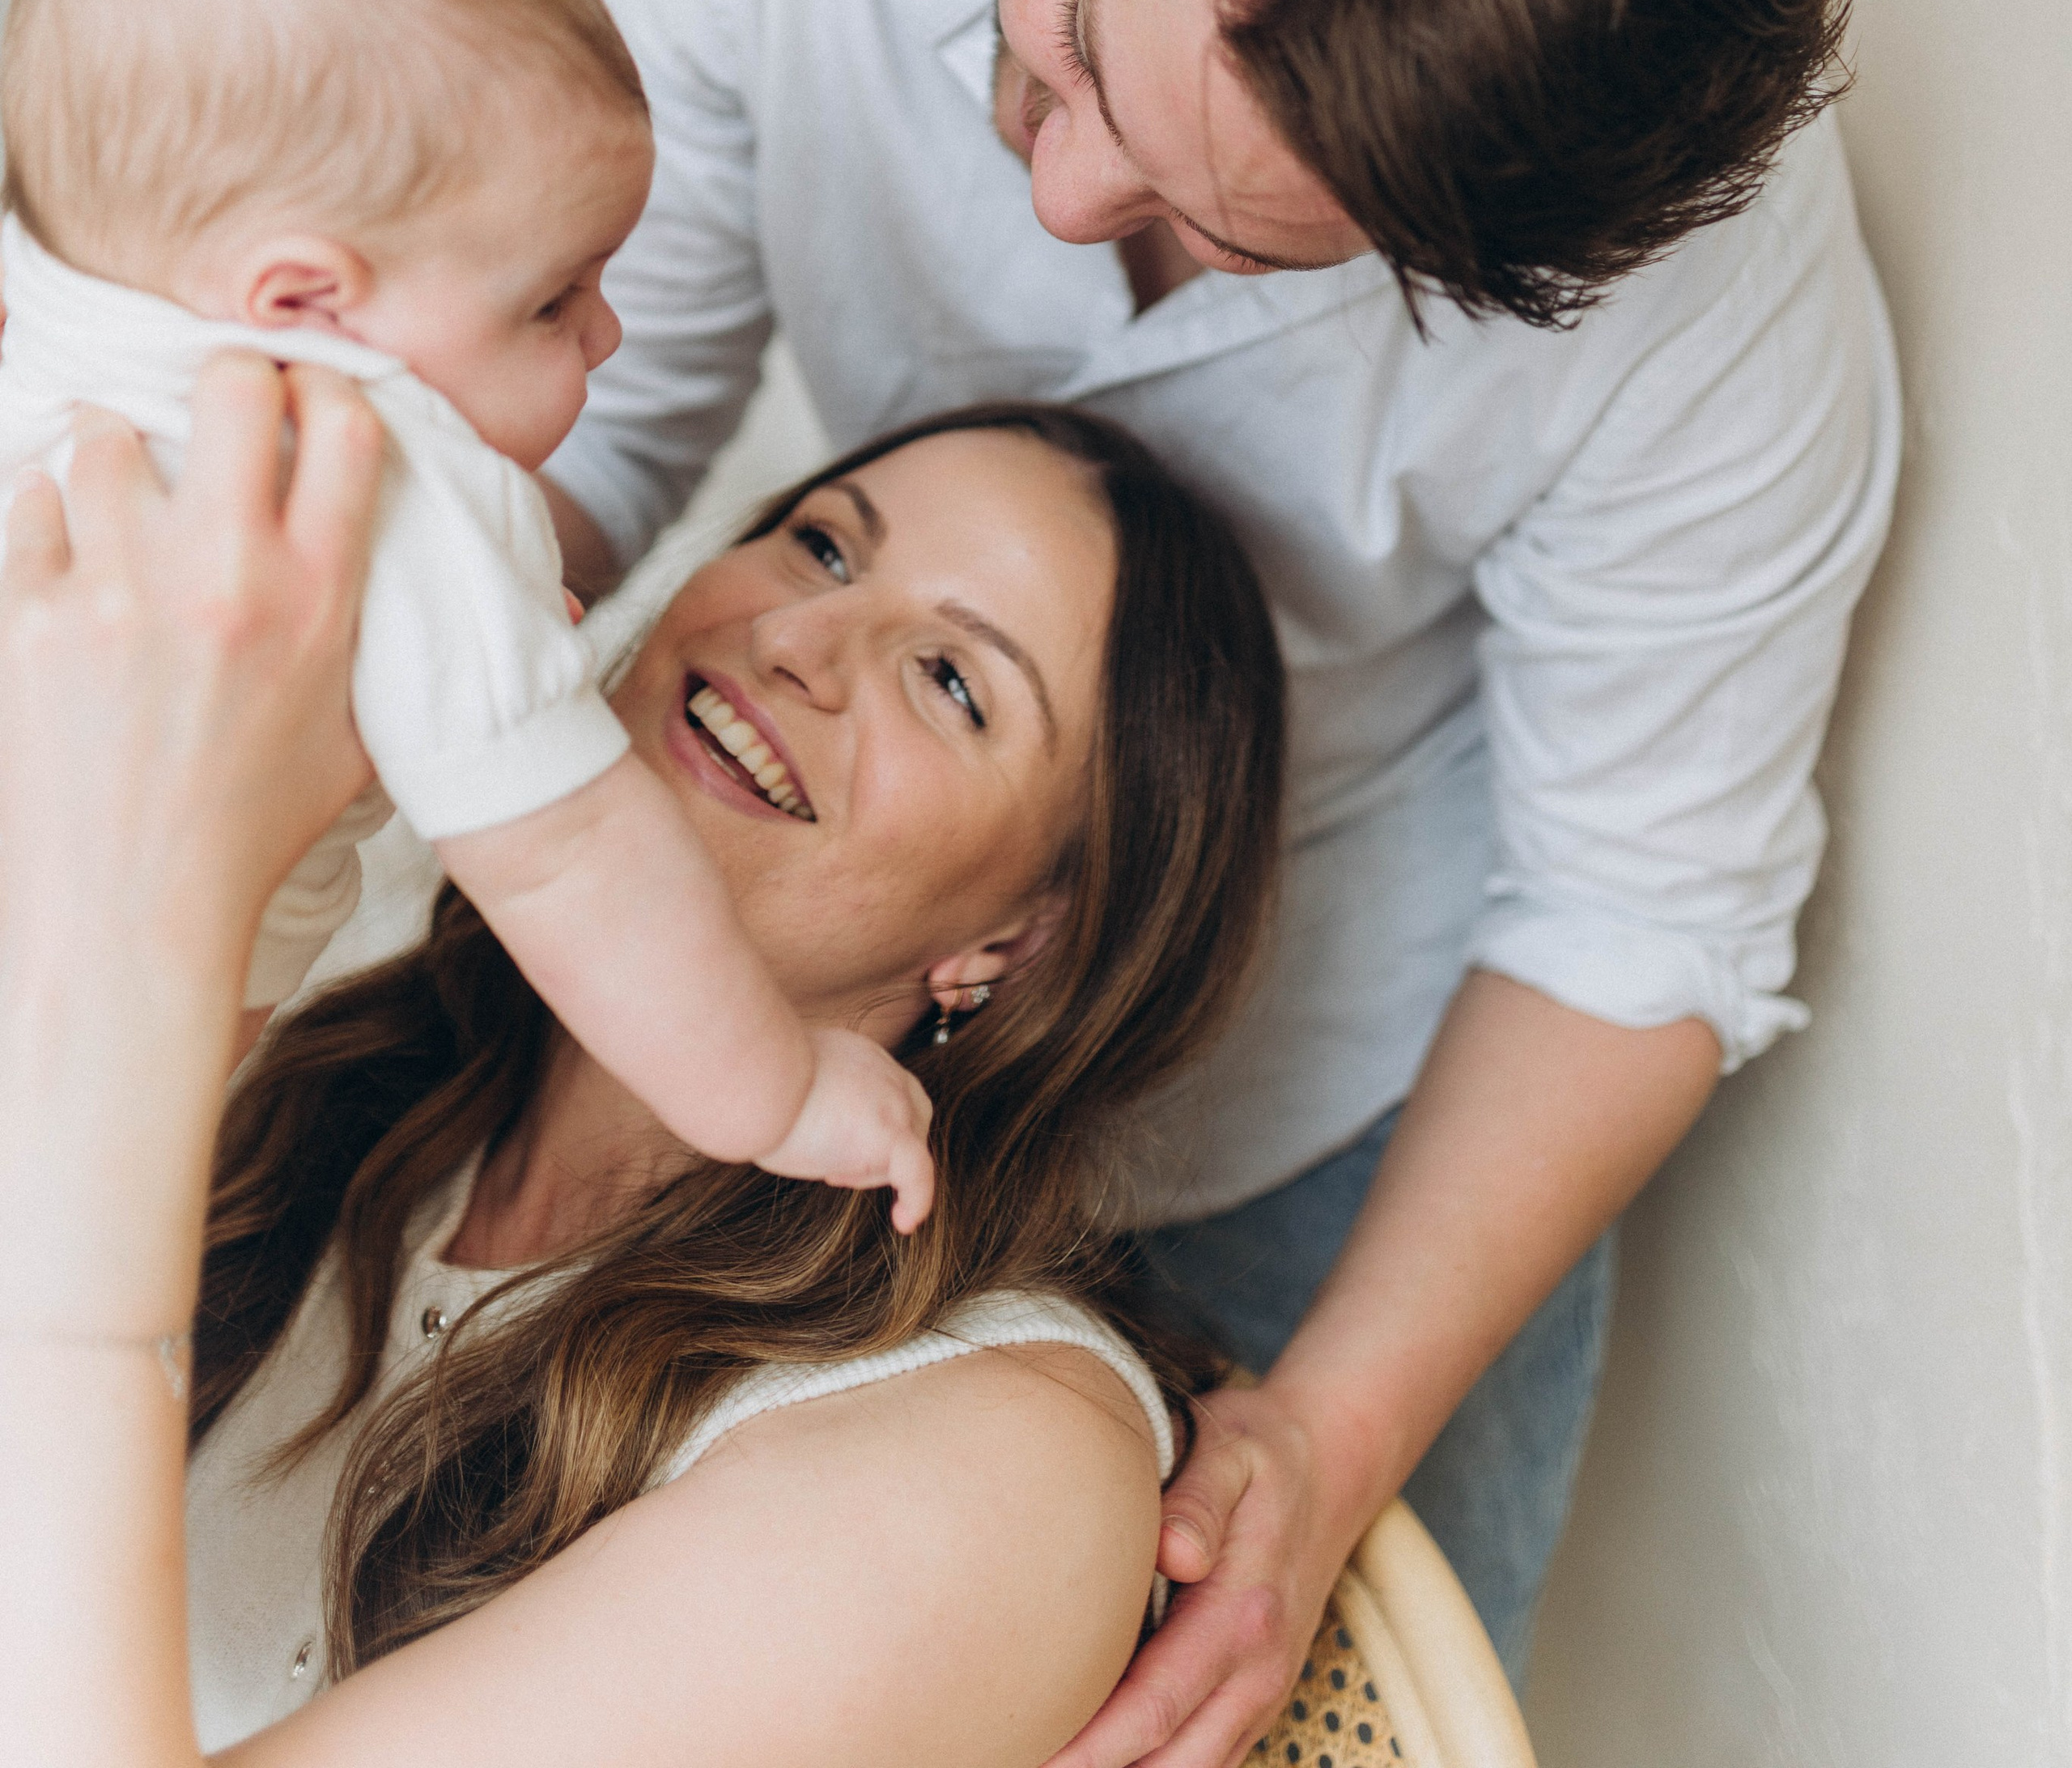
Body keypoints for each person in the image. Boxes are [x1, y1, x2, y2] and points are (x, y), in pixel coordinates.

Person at [537, 0, 1903, 1746]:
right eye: (1068, 37)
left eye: (1231, 230)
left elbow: (1642, 911)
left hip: (1343, 1089)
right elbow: (567, 434)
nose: (1059, 197)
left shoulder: (1712, 311)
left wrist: (1325, 1437)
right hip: (845, 971)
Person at [0, 368, 1286, 1765]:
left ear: (1020, 940)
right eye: (823, 543)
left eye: (951, 681)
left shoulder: (1006, 1463)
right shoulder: (360, 1075)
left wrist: (143, 956)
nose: (797, 635)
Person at [0, 0, 931, 1225]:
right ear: (305, 306)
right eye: (553, 299)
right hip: (107, 1035)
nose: (607, 335)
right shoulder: (393, 475)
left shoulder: (53, 298)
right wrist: (779, 1091)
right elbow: (571, 859)